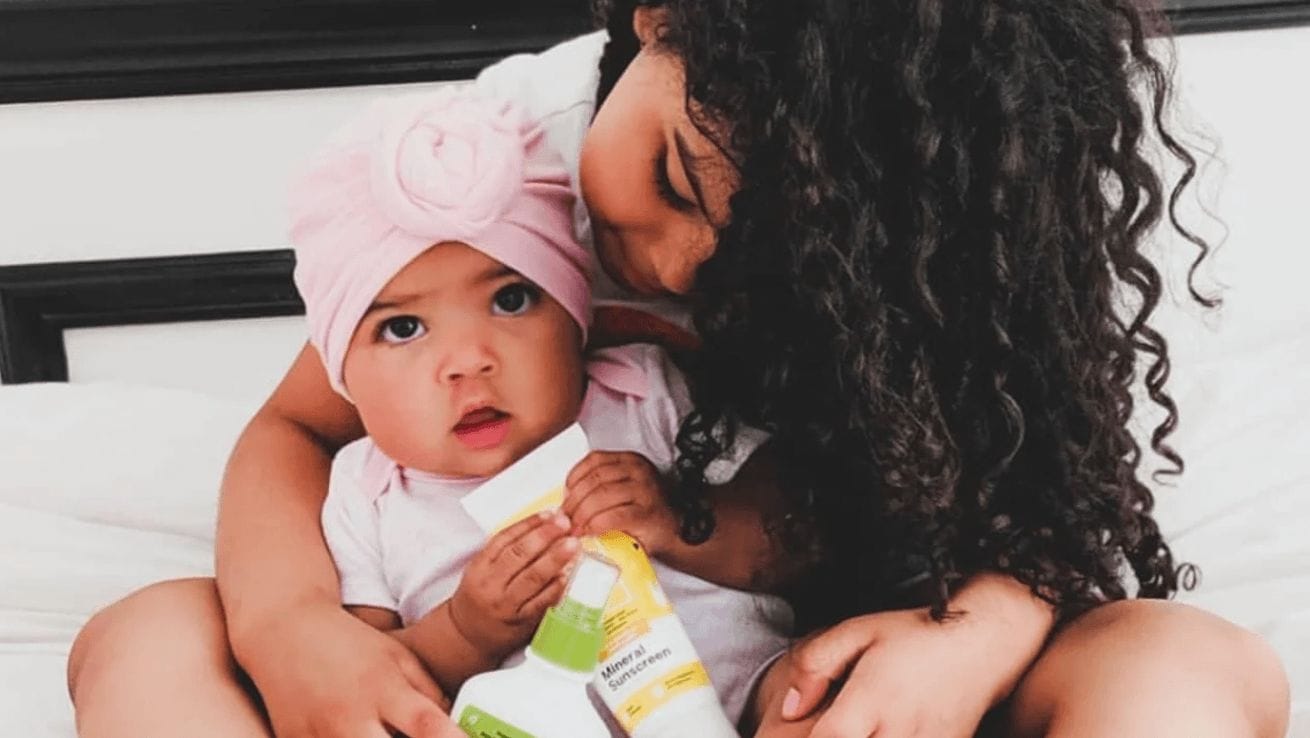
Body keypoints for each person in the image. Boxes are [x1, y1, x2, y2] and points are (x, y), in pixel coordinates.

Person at [68, 2, 1291, 737]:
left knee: (1186, 659)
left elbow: (1044, 518)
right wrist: (293, 633)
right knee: (149, 630)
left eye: (762, 264)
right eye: (670, 181)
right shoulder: (501, 162)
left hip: (802, 676)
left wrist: (968, 637)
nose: (664, 264)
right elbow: (295, 426)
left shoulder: (988, 249)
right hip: (493, 689)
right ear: (664, 13)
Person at [287, 86, 791, 730]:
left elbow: (798, 533)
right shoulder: (368, 493)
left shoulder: (641, 393)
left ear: (576, 317)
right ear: (341, 375)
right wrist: (468, 630)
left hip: (746, 707)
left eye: (512, 299)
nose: (469, 360)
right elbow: (373, 674)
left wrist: (685, 521)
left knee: (818, 697)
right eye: (405, 328)